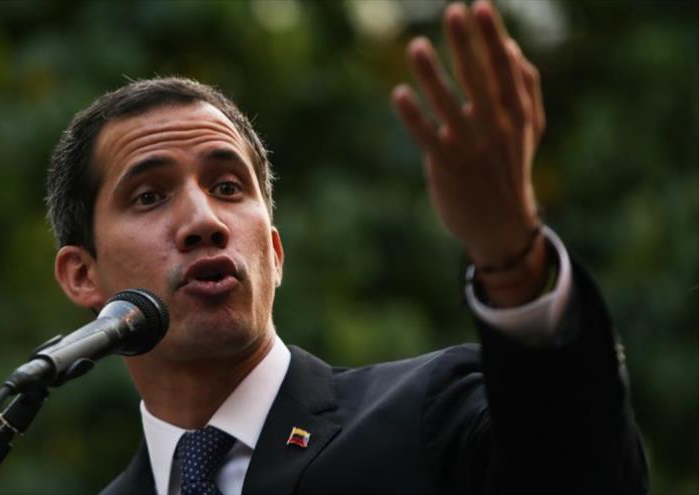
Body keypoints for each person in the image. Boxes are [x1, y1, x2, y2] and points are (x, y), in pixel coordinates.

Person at [45, 1, 647, 493]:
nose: (204, 221)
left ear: (274, 255)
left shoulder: (429, 415)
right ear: (81, 275)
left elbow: (584, 474)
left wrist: (512, 256)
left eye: (228, 186)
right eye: (149, 197)